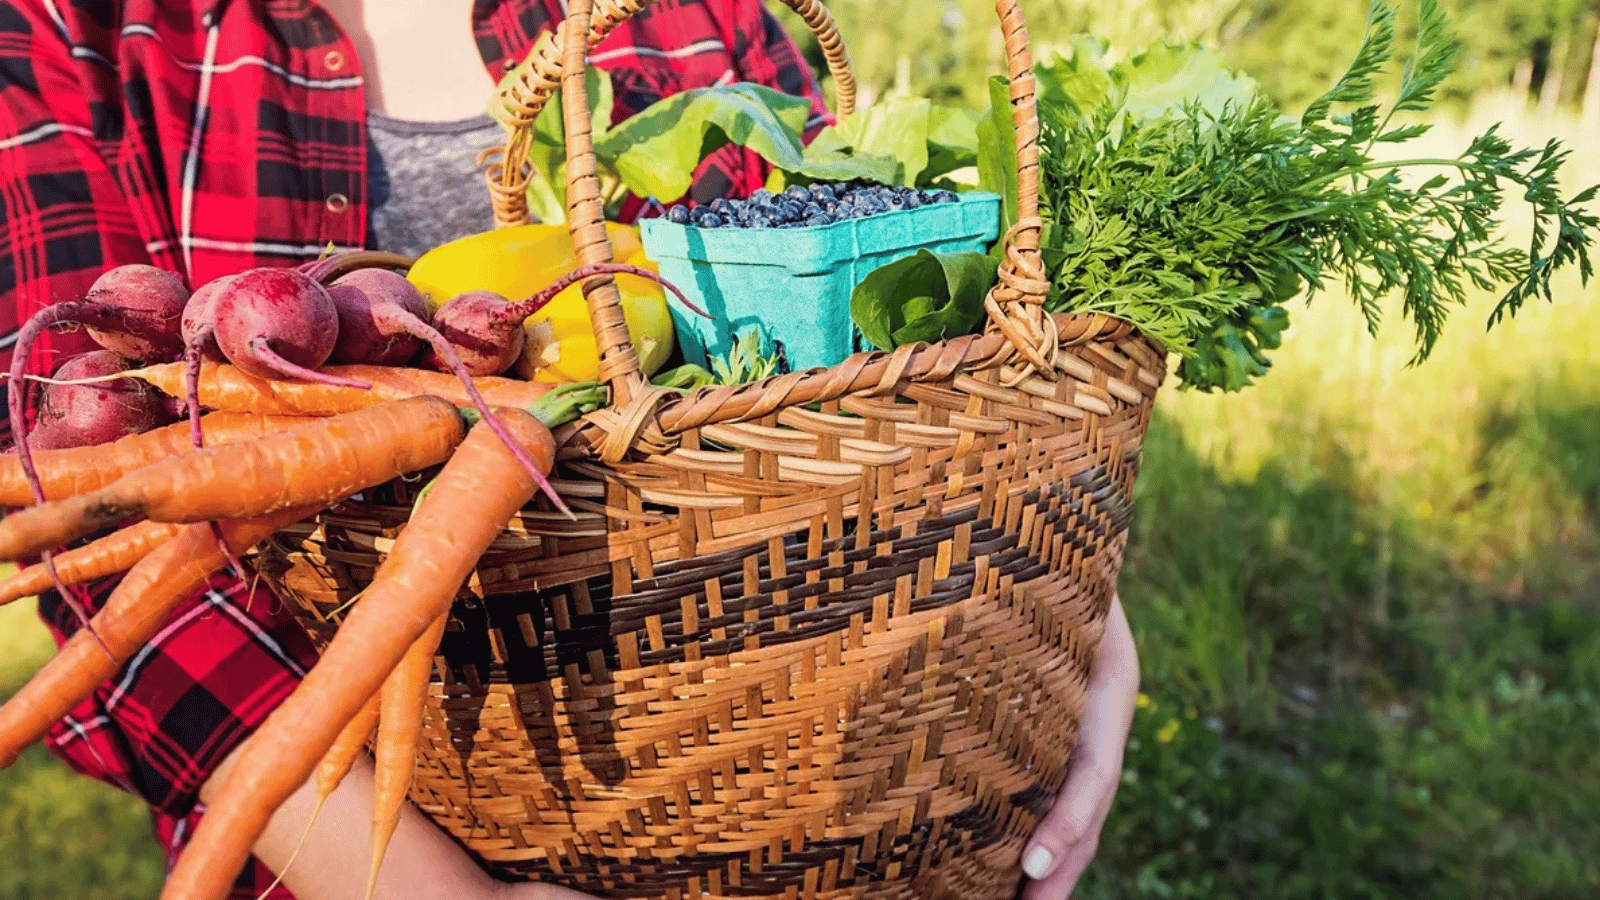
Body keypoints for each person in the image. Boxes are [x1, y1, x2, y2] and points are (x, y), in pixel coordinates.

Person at [0, 1, 1137, 897]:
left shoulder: (701, 14)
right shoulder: (70, 30)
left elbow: (899, 369)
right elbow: (100, 521)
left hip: (808, 788)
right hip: (335, 866)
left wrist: (1058, 601)